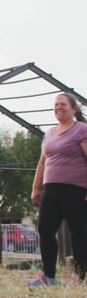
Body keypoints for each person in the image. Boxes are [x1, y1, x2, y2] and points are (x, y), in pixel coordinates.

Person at [27, 93, 87, 287]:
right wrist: (35, 188)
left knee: (78, 232)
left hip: (75, 189)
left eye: (63, 104)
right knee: (45, 230)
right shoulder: (50, 133)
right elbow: (42, 161)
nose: (58, 108)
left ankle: (80, 276)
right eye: (56, 105)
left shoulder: (81, 130)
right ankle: (49, 276)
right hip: (50, 190)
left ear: (73, 109)